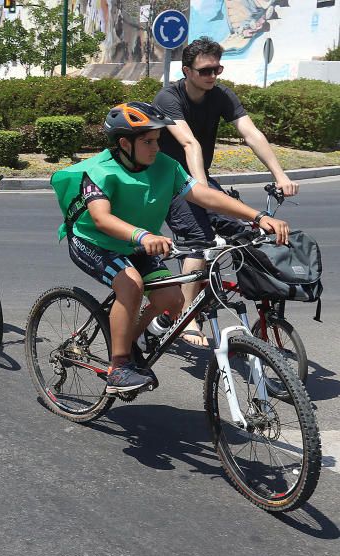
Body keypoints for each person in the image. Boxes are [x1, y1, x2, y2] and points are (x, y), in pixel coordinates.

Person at [51, 102, 289, 394]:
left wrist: (257, 216)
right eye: (148, 141)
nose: (156, 147)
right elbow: (101, 218)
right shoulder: (99, 172)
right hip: (93, 242)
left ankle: (131, 342)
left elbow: (204, 195)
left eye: (158, 140)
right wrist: (142, 236)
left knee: (173, 300)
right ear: (125, 143)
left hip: (136, 244)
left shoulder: (165, 166)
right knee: (131, 285)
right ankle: (118, 367)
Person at [153, 36, 298, 347]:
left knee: (245, 230)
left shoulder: (221, 95)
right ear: (187, 70)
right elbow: (189, 143)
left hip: (200, 177)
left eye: (216, 69)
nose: (212, 76)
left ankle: (218, 288)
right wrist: (203, 192)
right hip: (170, 179)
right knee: (198, 238)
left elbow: (250, 133)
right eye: (205, 70)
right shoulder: (168, 97)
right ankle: (187, 318)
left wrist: (280, 174)